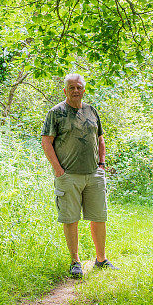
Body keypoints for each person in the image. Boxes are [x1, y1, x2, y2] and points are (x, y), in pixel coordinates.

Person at [41, 73, 116, 278]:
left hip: (94, 174)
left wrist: (101, 164)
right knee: (70, 219)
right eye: (71, 87)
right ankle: (75, 261)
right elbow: (46, 142)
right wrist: (58, 170)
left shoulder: (92, 111)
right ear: (65, 90)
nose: (76, 90)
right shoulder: (56, 113)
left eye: (79, 87)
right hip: (69, 175)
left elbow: (100, 139)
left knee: (99, 218)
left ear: (84, 89)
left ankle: (101, 259)